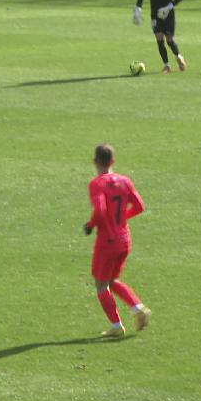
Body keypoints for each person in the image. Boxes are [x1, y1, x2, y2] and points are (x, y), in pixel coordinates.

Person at [83, 144, 151, 337]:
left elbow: (101, 209)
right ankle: (139, 308)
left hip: (107, 241)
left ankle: (116, 326)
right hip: (124, 239)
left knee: (101, 284)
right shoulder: (125, 181)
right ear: (113, 161)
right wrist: (121, 218)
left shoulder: (97, 184)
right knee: (112, 280)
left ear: (95, 161)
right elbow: (139, 206)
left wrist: (91, 225)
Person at [134, 0, 186, 74]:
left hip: (168, 15)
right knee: (159, 39)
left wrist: (169, 7)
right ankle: (167, 65)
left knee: (169, 40)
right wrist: (138, 8)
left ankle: (179, 57)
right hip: (155, 16)